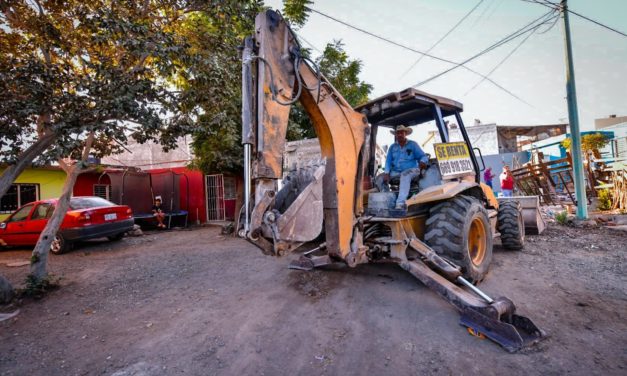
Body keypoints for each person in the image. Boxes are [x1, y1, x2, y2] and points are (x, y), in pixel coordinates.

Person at [376, 125, 429, 209]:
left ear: (405, 134)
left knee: (405, 175)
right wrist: (386, 172)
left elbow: (423, 156)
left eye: (401, 132)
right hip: (396, 172)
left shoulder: (413, 144)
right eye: (398, 133)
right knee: (379, 178)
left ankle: (400, 203)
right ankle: (387, 201)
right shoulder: (392, 147)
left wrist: (423, 161)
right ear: (396, 135)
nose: (399, 135)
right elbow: (388, 161)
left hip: (412, 170)